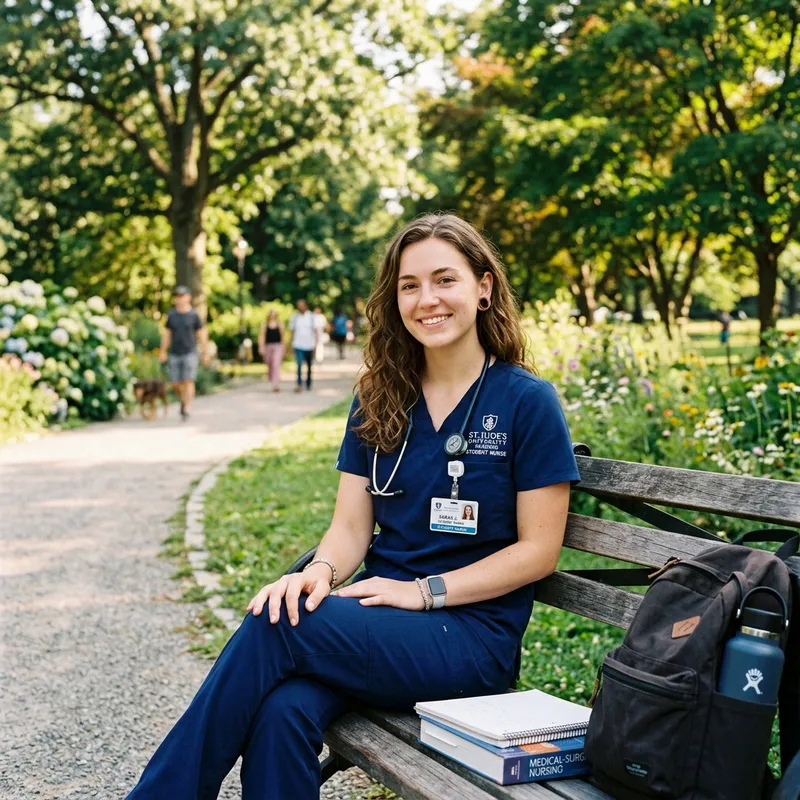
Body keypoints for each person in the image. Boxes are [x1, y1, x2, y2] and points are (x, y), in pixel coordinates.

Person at [126, 213, 580, 799]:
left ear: (483, 288)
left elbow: (538, 552)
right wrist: (317, 574)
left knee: (278, 624)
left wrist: (422, 591)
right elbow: (349, 528)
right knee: (283, 709)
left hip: (467, 637)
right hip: (375, 622)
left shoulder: (526, 402)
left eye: (445, 280)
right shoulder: (380, 397)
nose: (427, 299)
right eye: (409, 285)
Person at [159, 285, 209, 422]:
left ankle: (186, 407)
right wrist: (162, 351)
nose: (179, 299)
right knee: (175, 383)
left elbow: (202, 334)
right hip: (175, 353)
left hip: (190, 352)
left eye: (182, 296)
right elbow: (167, 335)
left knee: (188, 380)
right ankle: (183, 399)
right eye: (177, 296)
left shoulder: (194, 315)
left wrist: (205, 353)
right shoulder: (171, 315)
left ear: (188, 297)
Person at [289, 299, 318, 393]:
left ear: (305, 306)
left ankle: (308, 383)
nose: (300, 307)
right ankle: (299, 384)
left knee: (309, 366)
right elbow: (292, 331)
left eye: (302, 305)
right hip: (298, 344)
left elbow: (315, 332)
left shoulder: (311, 317)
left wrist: (315, 345)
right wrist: (291, 344)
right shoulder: (294, 318)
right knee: (299, 365)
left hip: (309, 345)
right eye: (298, 305)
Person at [258, 310, 285, 393]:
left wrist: (284, 348)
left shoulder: (280, 324)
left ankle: (275, 384)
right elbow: (262, 337)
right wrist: (261, 347)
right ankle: (271, 376)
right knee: (269, 363)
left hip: (278, 346)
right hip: (268, 347)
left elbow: (283, 337)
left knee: (276, 364)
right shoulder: (265, 325)